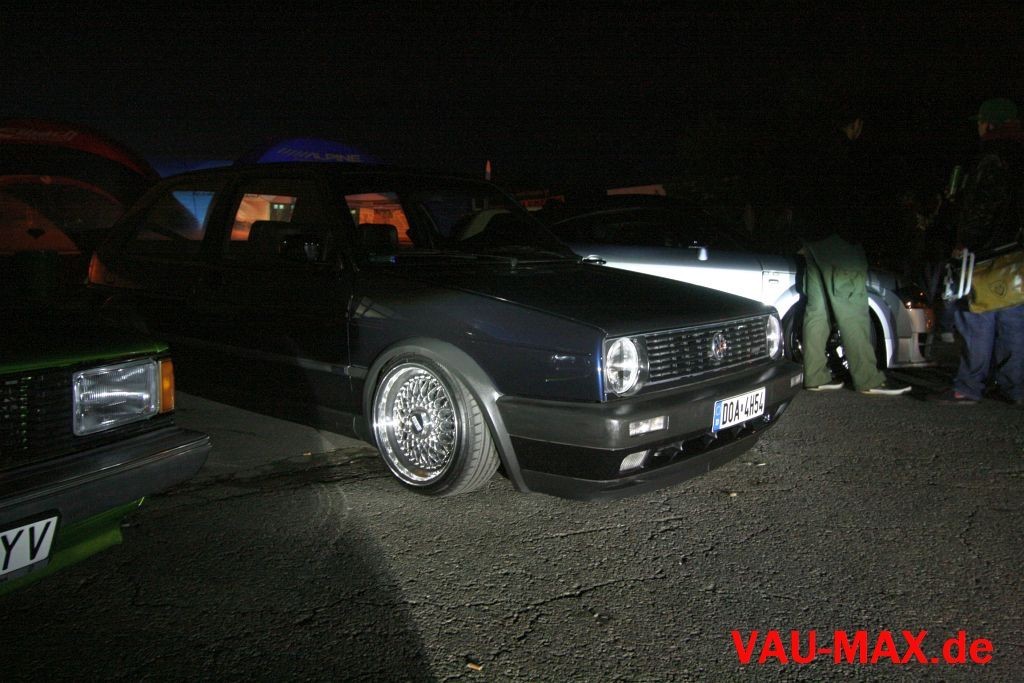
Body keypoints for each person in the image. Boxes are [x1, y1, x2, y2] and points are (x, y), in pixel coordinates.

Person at [798, 110, 912, 395]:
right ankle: (868, 379)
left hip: (813, 240)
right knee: (853, 309)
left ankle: (814, 374)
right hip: (839, 241)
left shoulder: (812, 151)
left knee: (817, 309)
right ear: (857, 124)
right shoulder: (847, 154)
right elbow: (856, 202)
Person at [929, 98, 1024, 406]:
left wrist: (964, 241)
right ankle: (1015, 388)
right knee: (1014, 320)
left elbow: (981, 208)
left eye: (981, 122)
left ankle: (968, 386)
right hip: (1017, 256)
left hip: (985, 256)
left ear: (990, 124)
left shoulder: (991, 158)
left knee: (975, 317)